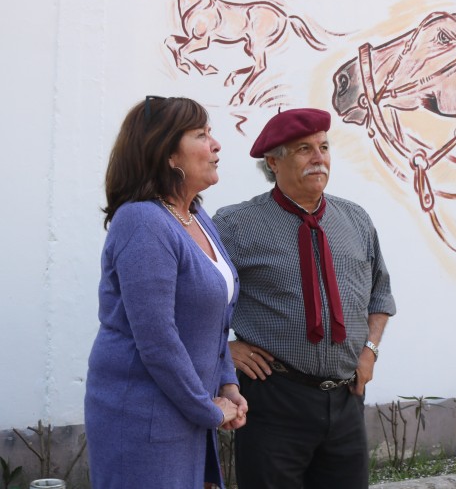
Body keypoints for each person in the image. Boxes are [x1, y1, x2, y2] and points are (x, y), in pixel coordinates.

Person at [213, 107, 397, 488]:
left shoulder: (356, 220)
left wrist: (370, 351)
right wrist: (222, 350)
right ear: (273, 162)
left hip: (346, 400)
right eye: (303, 149)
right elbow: (192, 297)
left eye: (324, 147)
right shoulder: (235, 226)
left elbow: (380, 293)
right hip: (274, 401)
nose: (319, 158)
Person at [85, 96, 248, 489]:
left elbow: (215, 321)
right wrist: (208, 409)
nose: (216, 144)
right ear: (167, 153)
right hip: (144, 417)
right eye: (201, 135)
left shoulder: (196, 217)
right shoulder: (143, 221)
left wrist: (228, 384)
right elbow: (157, 338)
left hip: (188, 407)